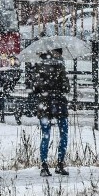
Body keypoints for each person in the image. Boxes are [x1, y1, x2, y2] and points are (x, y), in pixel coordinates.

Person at [30, 48, 70, 177]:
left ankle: (44, 166)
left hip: (45, 105)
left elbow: (34, 88)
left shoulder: (38, 68)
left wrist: (44, 89)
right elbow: (66, 88)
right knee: (63, 134)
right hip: (59, 104)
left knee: (45, 135)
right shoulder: (60, 67)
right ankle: (60, 164)